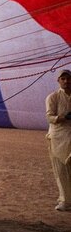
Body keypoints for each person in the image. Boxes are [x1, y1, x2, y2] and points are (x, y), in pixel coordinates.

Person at [45, 68, 71, 211]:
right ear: (59, 81)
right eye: (63, 79)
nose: (66, 81)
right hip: (58, 138)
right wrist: (63, 117)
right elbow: (49, 117)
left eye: (68, 79)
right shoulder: (52, 97)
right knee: (61, 170)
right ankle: (65, 201)